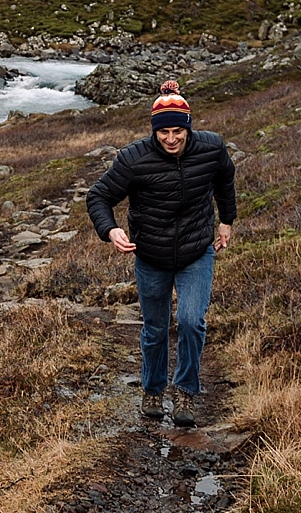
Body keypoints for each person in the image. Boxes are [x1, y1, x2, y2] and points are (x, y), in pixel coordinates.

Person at [85, 81, 236, 428]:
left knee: (190, 321)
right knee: (155, 328)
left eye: (177, 131)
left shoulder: (211, 148)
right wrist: (111, 230)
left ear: (188, 127)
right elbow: (98, 197)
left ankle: (185, 391)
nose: (170, 139)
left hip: (197, 251)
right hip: (150, 255)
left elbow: (225, 178)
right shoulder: (133, 158)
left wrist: (226, 220)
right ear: (154, 131)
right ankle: (152, 390)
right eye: (163, 132)